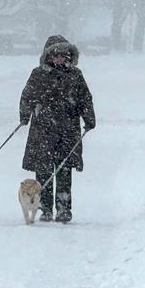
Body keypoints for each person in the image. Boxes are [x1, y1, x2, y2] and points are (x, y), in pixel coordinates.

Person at [19, 35, 96, 223]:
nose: (60, 59)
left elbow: (85, 98)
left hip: (68, 130)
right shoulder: (38, 74)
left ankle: (63, 209)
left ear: (69, 56)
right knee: (43, 170)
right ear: (48, 56)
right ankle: (44, 208)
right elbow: (27, 96)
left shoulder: (75, 75)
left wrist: (89, 118)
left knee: (64, 171)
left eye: (63, 55)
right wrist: (24, 116)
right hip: (43, 129)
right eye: (55, 55)